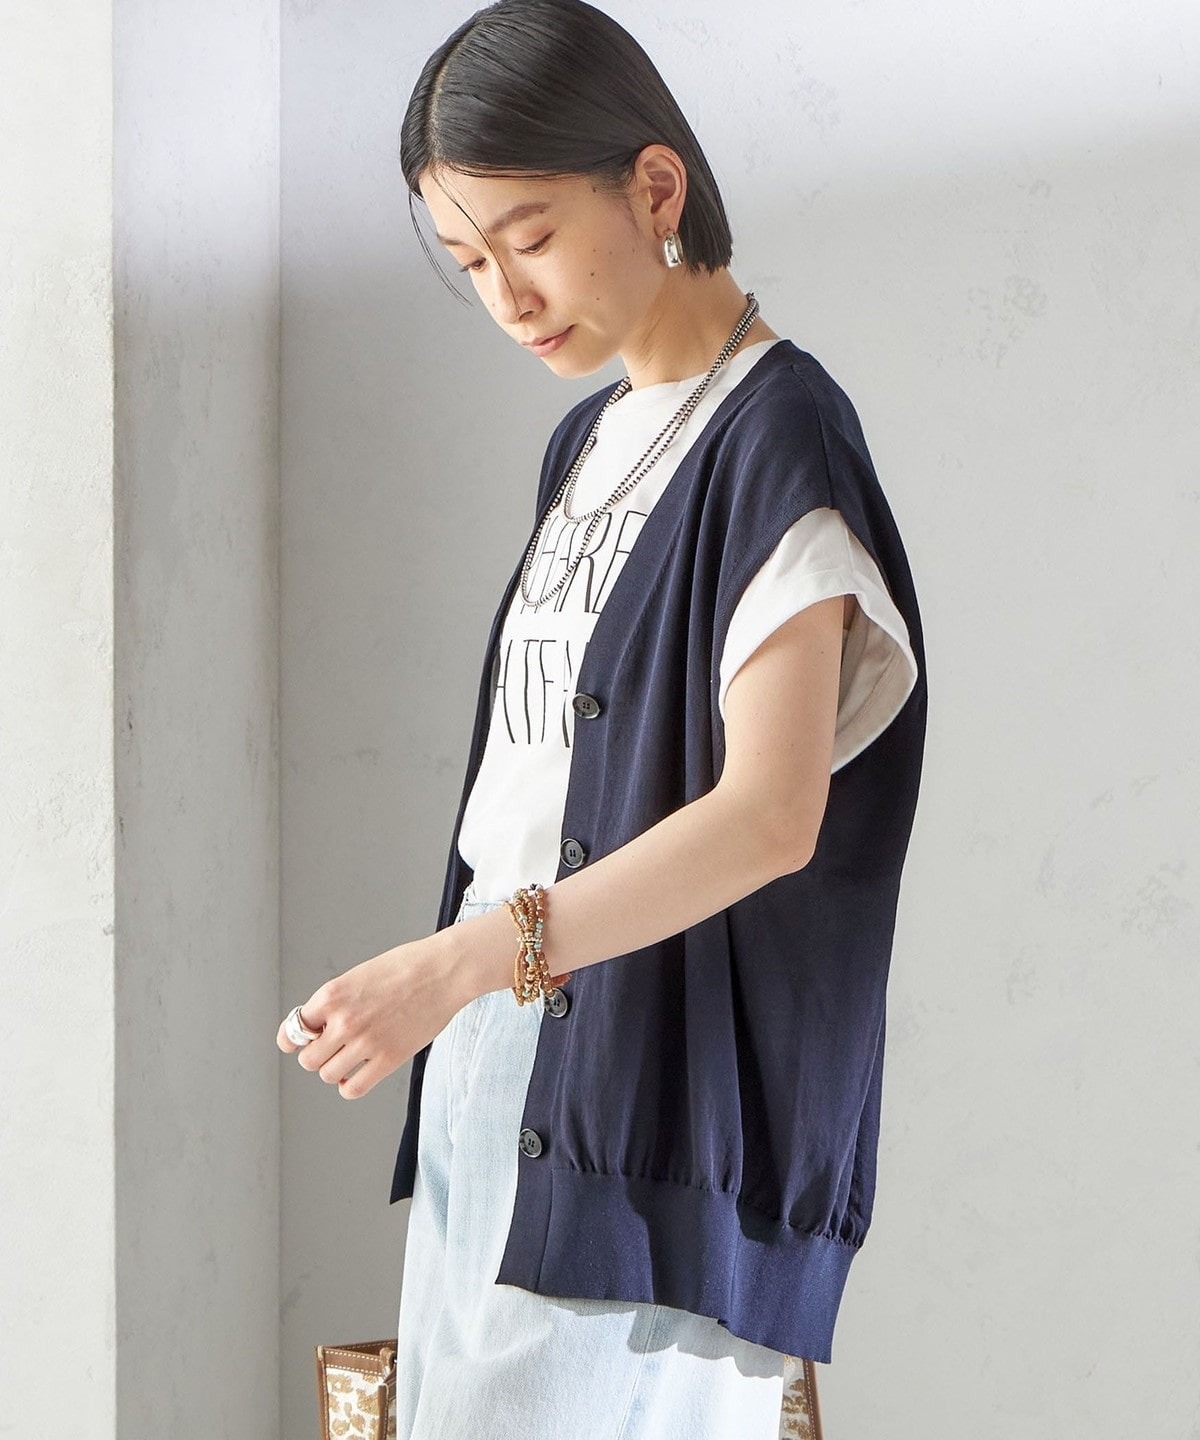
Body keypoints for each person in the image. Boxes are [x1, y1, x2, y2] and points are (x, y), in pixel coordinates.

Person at [277, 0, 927, 1435]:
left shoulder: (777, 437)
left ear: (654, 187)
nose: (507, 297)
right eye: (469, 263)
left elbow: (771, 817)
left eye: (530, 237)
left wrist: (460, 965)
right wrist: (460, 993)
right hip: (498, 1057)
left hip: (637, 1086)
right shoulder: (588, 441)